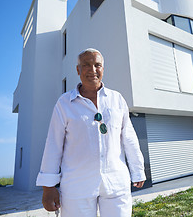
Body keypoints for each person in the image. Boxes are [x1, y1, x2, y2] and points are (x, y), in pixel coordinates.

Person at [36, 48, 146, 217]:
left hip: (116, 182)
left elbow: (129, 137)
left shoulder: (117, 99)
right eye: (86, 65)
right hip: (76, 187)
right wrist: (48, 187)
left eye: (97, 65)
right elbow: (53, 145)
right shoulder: (64, 103)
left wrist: (137, 170)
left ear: (103, 69)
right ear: (78, 70)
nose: (92, 70)